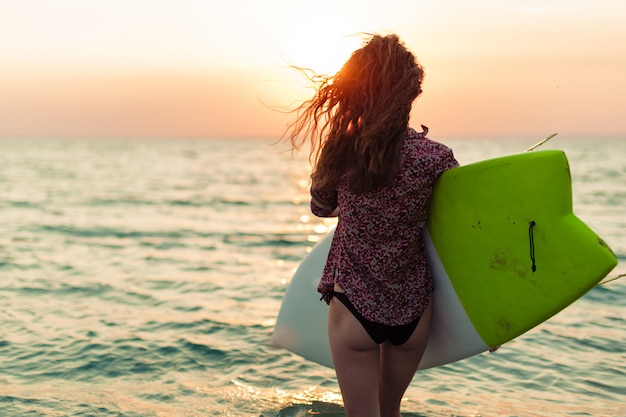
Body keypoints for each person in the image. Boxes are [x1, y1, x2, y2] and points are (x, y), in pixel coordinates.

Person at [285, 33, 459, 417]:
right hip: (412, 312)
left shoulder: (343, 151)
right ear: (411, 94)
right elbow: (454, 228)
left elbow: (321, 207)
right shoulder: (437, 158)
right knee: (390, 411)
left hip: (354, 310)